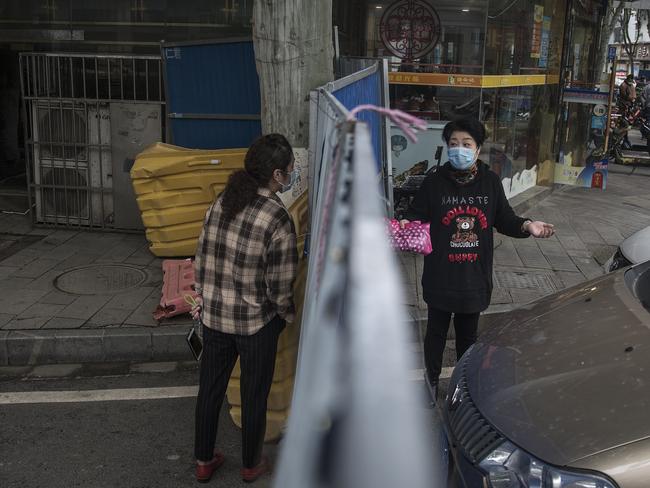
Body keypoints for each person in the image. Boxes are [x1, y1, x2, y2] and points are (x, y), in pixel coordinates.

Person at [401, 117, 554, 403]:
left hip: (474, 279)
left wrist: (527, 226)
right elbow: (415, 217)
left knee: (467, 339)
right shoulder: (434, 181)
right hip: (440, 277)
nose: (459, 149)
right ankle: (430, 383)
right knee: (434, 334)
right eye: (454, 144)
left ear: (478, 148)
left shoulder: (490, 182)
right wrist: (400, 229)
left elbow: (504, 219)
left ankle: (461, 387)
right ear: (447, 147)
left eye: (466, 144)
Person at [192, 133, 299, 483]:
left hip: (215, 318)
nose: (293, 174)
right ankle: (251, 465)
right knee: (255, 395)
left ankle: (204, 461)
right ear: (278, 176)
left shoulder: (222, 201)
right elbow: (280, 285)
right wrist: (285, 314)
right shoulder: (277, 217)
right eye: (291, 169)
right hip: (256, 324)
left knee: (210, 388)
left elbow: (201, 259)